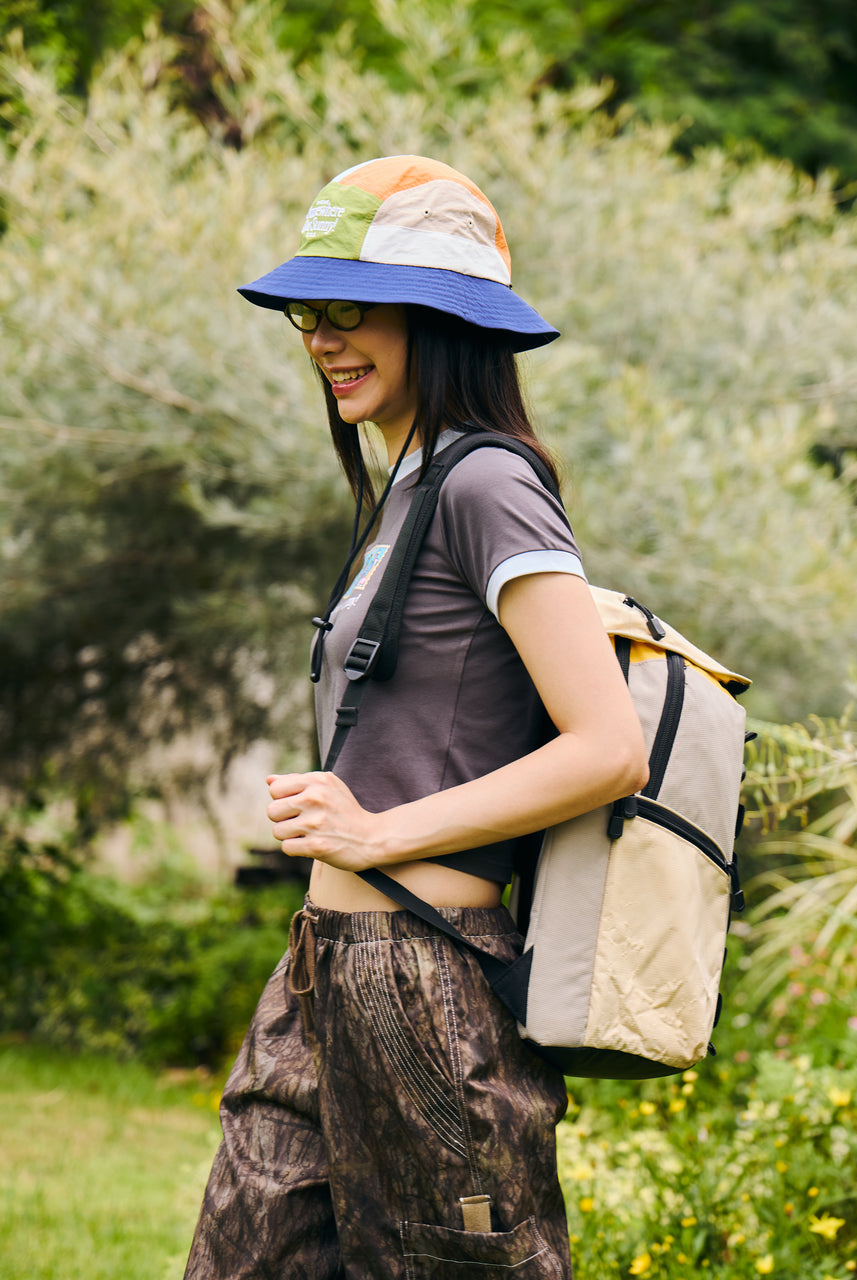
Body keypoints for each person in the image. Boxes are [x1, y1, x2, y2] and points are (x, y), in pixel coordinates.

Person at [184, 154, 648, 1280]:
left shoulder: (491, 483)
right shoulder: (411, 482)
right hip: (325, 967)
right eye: (308, 311)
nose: (320, 338)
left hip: (423, 978)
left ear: (438, 319)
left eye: (348, 309)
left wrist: (376, 832)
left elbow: (607, 746)